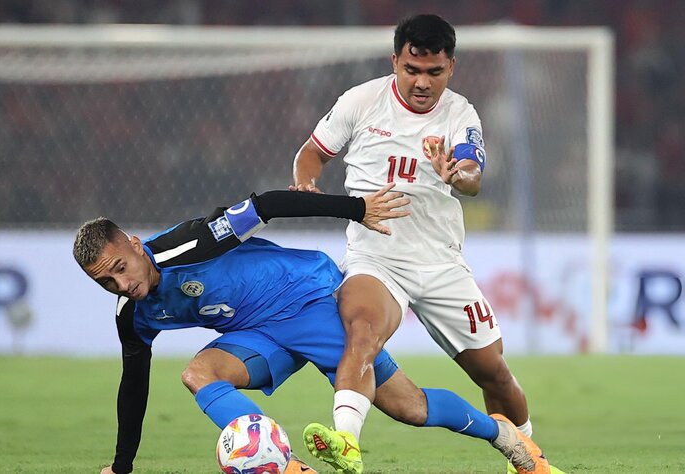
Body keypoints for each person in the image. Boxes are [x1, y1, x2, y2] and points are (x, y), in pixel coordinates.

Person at [74, 186, 548, 474]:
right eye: (106, 281)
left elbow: (268, 205)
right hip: (257, 335)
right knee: (199, 373)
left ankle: (505, 437)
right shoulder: (131, 317)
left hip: (307, 299)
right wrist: (122, 466)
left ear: (135, 245)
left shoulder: (190, 242)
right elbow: (132, 388)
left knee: (409, 407)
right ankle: (283, 464)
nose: (122, 283)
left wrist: (357, 209)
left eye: (120, 267)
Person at [291, 13, 558, 474]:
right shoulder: (361, 101)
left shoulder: (460, 114)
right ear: (395, 61)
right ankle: (346, 442)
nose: (421, 82)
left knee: (492, 372)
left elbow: (473, 177)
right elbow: (310, 154)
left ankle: (529, 457)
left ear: (450, 67)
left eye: (433, 72)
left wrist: (458, 173)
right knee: (362, 331)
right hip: (376, 255)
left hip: (440, 263)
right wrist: (307, 184)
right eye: (412, 70)